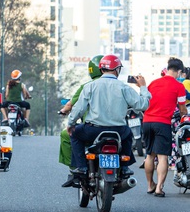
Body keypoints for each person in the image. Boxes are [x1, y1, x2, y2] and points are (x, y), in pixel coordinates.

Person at [67, 54, 149, 179]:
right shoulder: (124, 87)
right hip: (119, 131)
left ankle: (82, 167)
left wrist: (71, 124)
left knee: (75, 134)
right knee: (128, 134)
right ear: (117, 69)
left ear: (101, 69)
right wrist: (143, 87)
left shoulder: (90, 86)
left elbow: (79, 108)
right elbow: (142, 105)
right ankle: (125, 167)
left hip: (93, 130)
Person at [143, 57, 188, 197]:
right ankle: (159, 188)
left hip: (147, 122)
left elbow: (146, 100)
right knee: (163, 157)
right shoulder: (179, 86)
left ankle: (150, 185)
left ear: (168, 68)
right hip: (162, 123)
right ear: (179, 71)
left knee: (149, 155)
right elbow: (182, 108)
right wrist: (184, 114)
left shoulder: (153, 83)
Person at [59, 55, 103, 188]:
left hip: (90, 130)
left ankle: (76, 169)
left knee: (67, 134)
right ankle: (123, 169)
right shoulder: (118, 85)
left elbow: (71, 106)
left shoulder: (87, 86)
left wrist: (64, 112)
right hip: (115, 129)